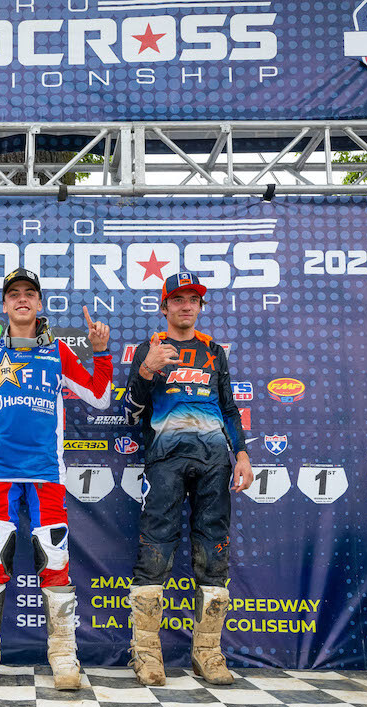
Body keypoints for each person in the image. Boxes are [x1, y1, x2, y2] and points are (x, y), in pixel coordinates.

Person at [0, 268, 112, 691]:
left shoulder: (58, 355)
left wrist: (102, 353)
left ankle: (64, 656)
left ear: (38, 303)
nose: (21, 300)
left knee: (54, 557)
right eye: (13, 294)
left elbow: (100, 397)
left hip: (47, 474)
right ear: (4, 306)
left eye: (29, 293)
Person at [122, 272, 253, 686]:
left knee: (214, 553)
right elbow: (130, 411)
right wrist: (145, 370)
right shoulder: (151, 348)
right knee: (155, 551)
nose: (186, 305)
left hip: (215, 461)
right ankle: (145, 654)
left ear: (200, 306)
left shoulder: (214, 351)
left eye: (193, 299)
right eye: (177, 299)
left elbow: (230, 408)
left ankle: (208, 654)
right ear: (164, 307)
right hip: (165, 461)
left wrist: (243, 454)